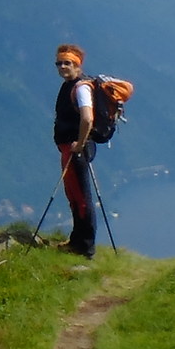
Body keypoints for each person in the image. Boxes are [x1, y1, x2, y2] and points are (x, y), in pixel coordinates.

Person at [52, 44, 98, 257]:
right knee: (74, 195)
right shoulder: (69, 85)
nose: (62, 67)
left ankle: (85, 247)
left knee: (81, 197)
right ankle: (76, 241)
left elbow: (87, 118)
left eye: (67, 63)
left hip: (75, 150)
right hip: (70, 149)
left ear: (77, 65)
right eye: (59, 63)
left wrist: (79, 145)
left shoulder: (81, 88)